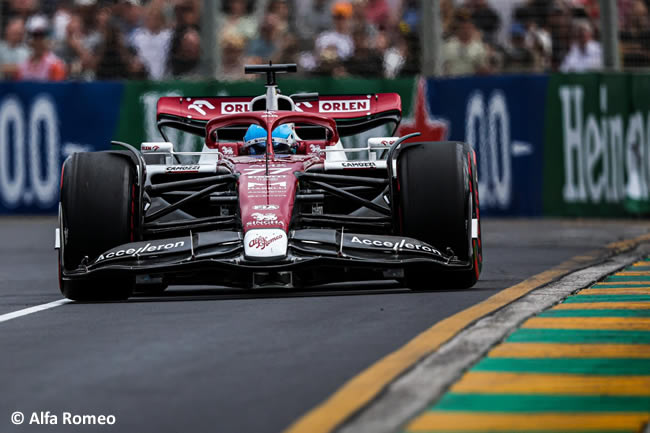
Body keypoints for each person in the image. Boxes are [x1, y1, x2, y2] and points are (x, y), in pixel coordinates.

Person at [18, 16, 66, 81]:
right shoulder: (23, 65)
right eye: (35, 35)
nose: (38, 40)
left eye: (42, 35)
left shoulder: (55, 64)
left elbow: (58, 88)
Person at [442, 9, 489, 76]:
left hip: (471, 81)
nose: (466, 31)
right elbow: (442, 67)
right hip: (451, 80)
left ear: (473, 29)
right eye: (463, 28)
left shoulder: (479, 47)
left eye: (468, 28)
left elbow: (484, 70)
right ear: (457, 30)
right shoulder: (447, 46)